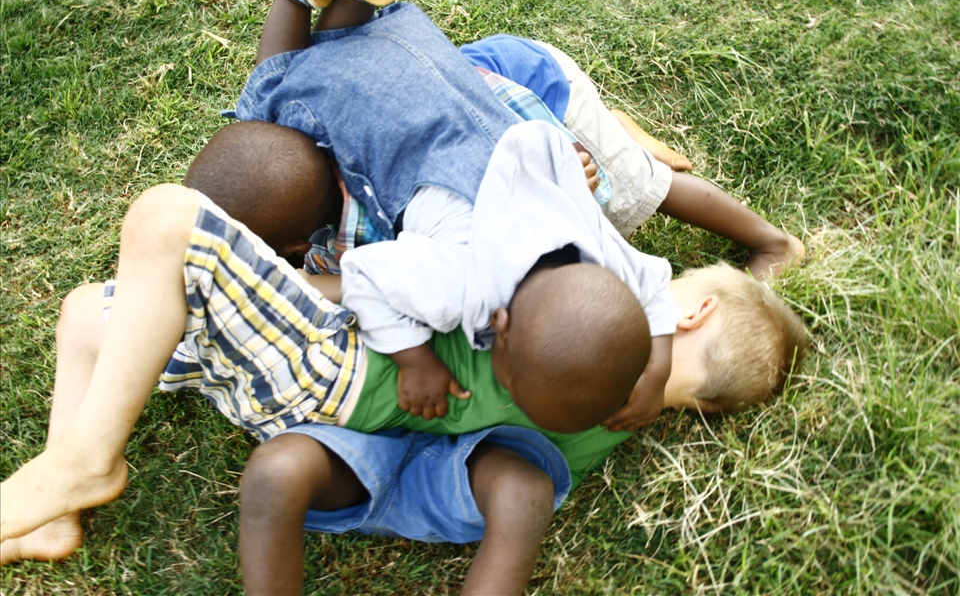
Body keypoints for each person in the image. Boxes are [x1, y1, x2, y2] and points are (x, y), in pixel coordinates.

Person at [0, 182, 807, 594]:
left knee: (168, 220)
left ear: (693, 310)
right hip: (319, 396)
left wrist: (301, 282)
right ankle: (57, 512)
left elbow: (412, 282)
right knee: (88, 316)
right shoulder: (606, 418)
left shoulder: (583, 313)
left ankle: (87, 461)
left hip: (337, 368)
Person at [227, 0, 682, 428]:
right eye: (512, 389)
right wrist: (415, 361)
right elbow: (365, 279)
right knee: (273, 93)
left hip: (426, 68)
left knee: (348, 48)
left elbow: (652, 285)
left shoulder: (592, 244)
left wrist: (658, 369)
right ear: (499, 327)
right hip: (377, 113)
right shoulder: (457, 281)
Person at [460, 35, 806, 281]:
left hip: (543, 93)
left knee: (636, 188)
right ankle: (613, 129)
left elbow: (530, 126)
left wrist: (568, 164)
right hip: (511, 80)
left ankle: (775, 244)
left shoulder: (468, 101)